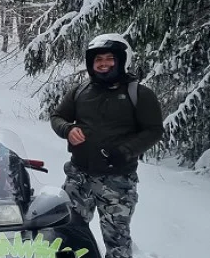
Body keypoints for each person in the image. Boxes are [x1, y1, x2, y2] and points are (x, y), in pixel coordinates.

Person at [49, 33, 164, 258]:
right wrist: (68, 130)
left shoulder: (139, 94)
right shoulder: (80, 91)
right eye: (98, 60)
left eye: (109, 59)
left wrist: (126, 151)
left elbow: (154, 130)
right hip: (78, 177)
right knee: (65, 232)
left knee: (117, 240)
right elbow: (57, 116)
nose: (103, 64)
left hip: (117, 182)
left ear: (122, 60)